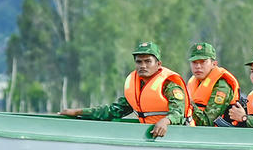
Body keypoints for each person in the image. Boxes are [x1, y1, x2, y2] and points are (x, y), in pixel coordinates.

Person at [59, 41, 190, 137]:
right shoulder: (136, 87)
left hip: (178, 134)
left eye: (148, 61)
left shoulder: (169, 84)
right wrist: (78, 112)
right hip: (149, 134)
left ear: (158, 64)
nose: (143, 66)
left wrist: (165, 121)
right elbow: (112, 112)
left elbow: (178, 113)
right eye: (139, 62)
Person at [186, 41, 240, 127]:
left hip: (220, 136)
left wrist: (188, 102)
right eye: (194, 62)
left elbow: (208, 123)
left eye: (203, 62)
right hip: (196, 133)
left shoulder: (222, 86)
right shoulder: (193, 82)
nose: (198, 66)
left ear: (214, 64)